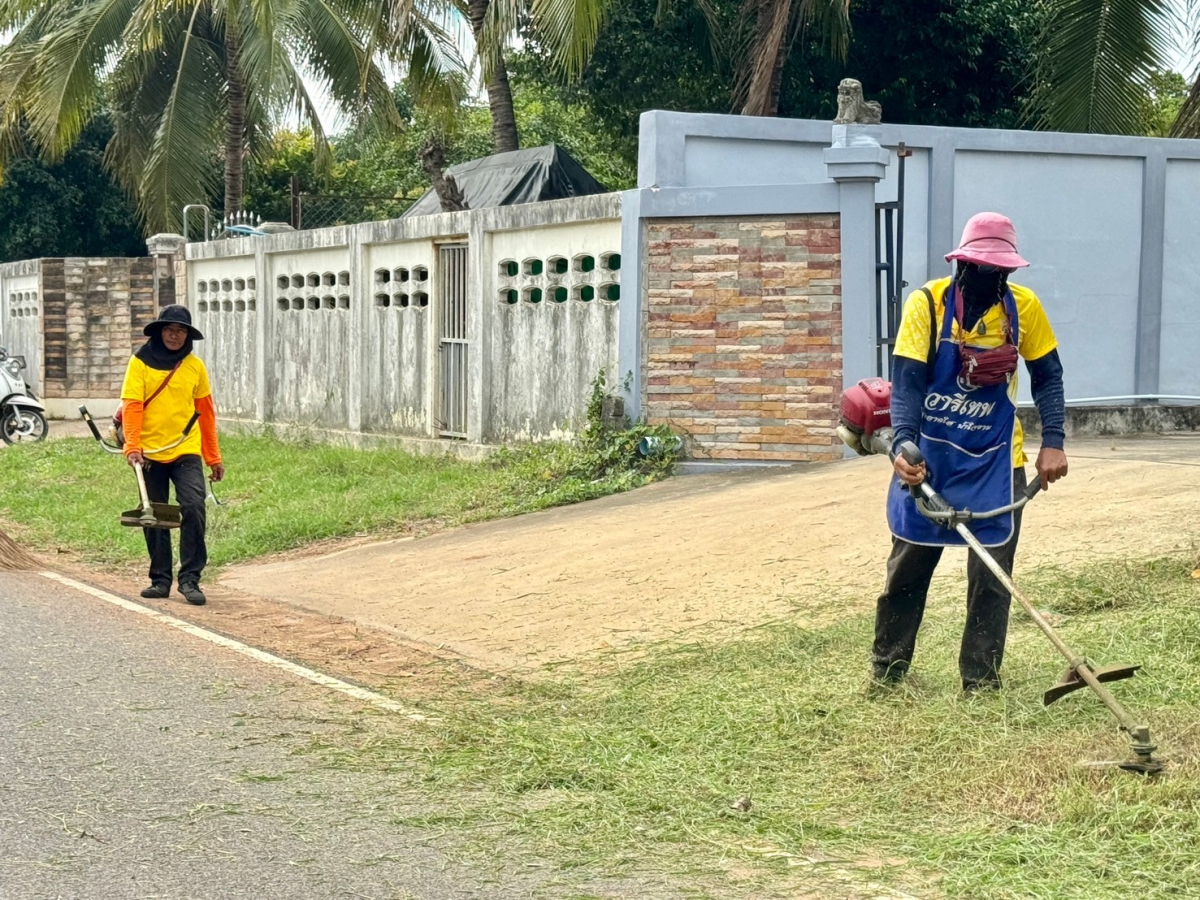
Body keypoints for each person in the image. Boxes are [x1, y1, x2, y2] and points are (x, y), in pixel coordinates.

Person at [873, 212, 1068, 692]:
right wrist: (903, 443)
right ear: (960, 264)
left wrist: (1054, 443)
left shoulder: (1024, 309)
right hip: (930, 460)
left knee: (992, 575)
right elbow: (908, 385)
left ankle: (980, 682)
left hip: (995, 463)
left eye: (999, 271)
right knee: (909, 568)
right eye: (979, 267)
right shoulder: (927, 304)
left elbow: (1048, 377)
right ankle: (887, 672)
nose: (989, 279)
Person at [120, 305, 224, 605]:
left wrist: (213, 457)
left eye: (181, 331)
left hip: (185, 449)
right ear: (159, 332)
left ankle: (190, 579)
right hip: (148, 453)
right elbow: (132, 405)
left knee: (193, 506)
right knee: (154, 514)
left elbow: (206, 414)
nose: (174, 335)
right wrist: (133, 445)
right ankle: (160, 580)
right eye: (169, 329)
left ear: (188, 335)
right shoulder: (139, 362)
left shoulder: (195, 366)